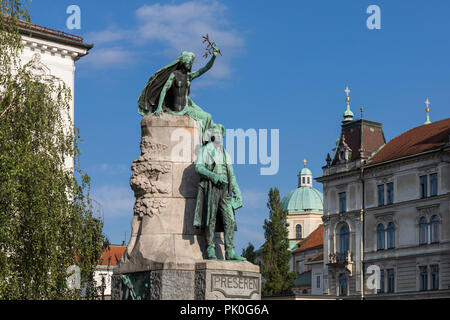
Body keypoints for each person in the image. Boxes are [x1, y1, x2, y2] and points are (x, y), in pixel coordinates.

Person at [138, 50, 219, 143]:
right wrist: (159, 107)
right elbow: (164, 89)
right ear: (183, 62)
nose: (190, 64)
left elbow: (205, 68)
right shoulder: (174, 75)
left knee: (208, 116)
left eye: (191, 62)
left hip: (187, 108)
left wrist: (214, 56)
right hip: (178, 109)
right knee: (206, 117)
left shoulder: (189, 76)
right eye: (188, 62)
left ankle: (206, 140)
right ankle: (205, 140)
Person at [193, 124, 246, 261]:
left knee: (230, 219)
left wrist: (238, 192)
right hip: (212, 187)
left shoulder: (225, 152)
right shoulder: (205, 150)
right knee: (210, 218)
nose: (219, 136)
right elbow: (198, 168)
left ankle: (230, 251)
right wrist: (214, 176)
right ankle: (210, 248)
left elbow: (232, 175)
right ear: (211, 135)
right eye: (216, 133)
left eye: (220, 133)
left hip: (225, 190)